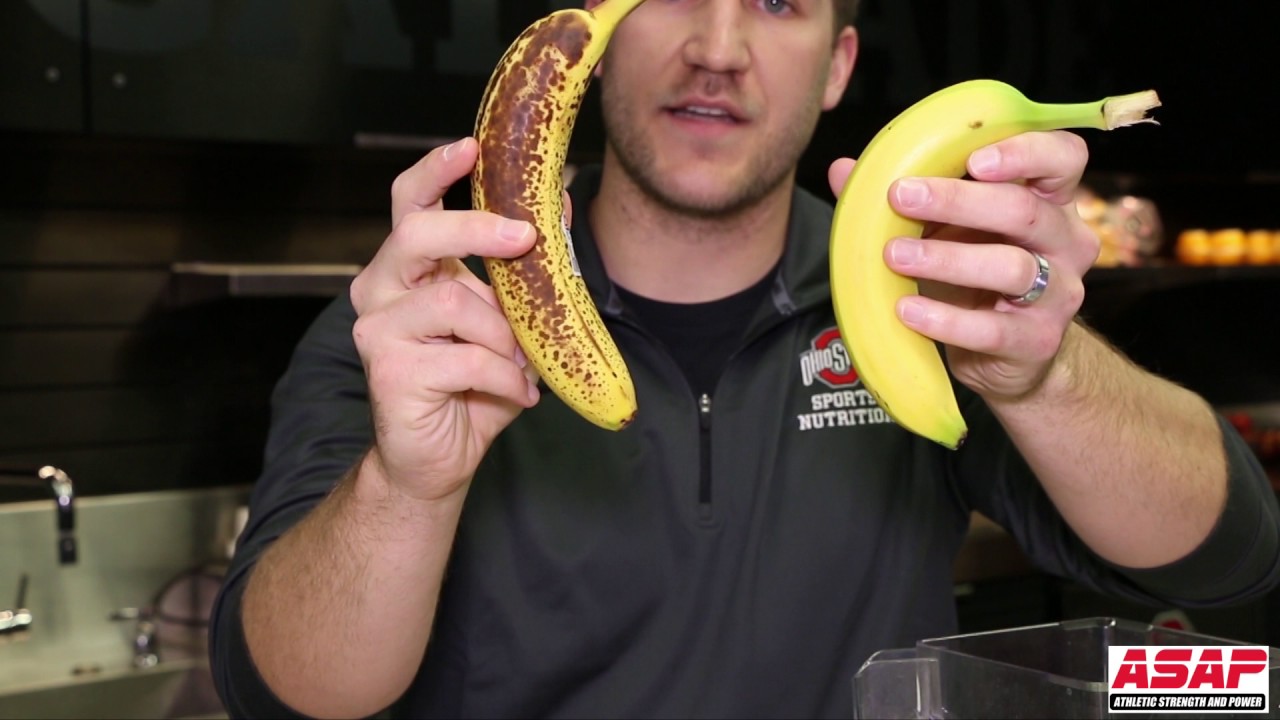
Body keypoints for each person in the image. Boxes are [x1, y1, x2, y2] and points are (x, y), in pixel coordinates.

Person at [209, 0, 1280, 718]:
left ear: (838, 65)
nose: (717, 48)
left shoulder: (929, 296)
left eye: (776, 0)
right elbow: (284, 694)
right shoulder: (429, 324)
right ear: (596, 33)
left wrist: (1044, 374)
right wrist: (405, 487)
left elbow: (1227, 558)